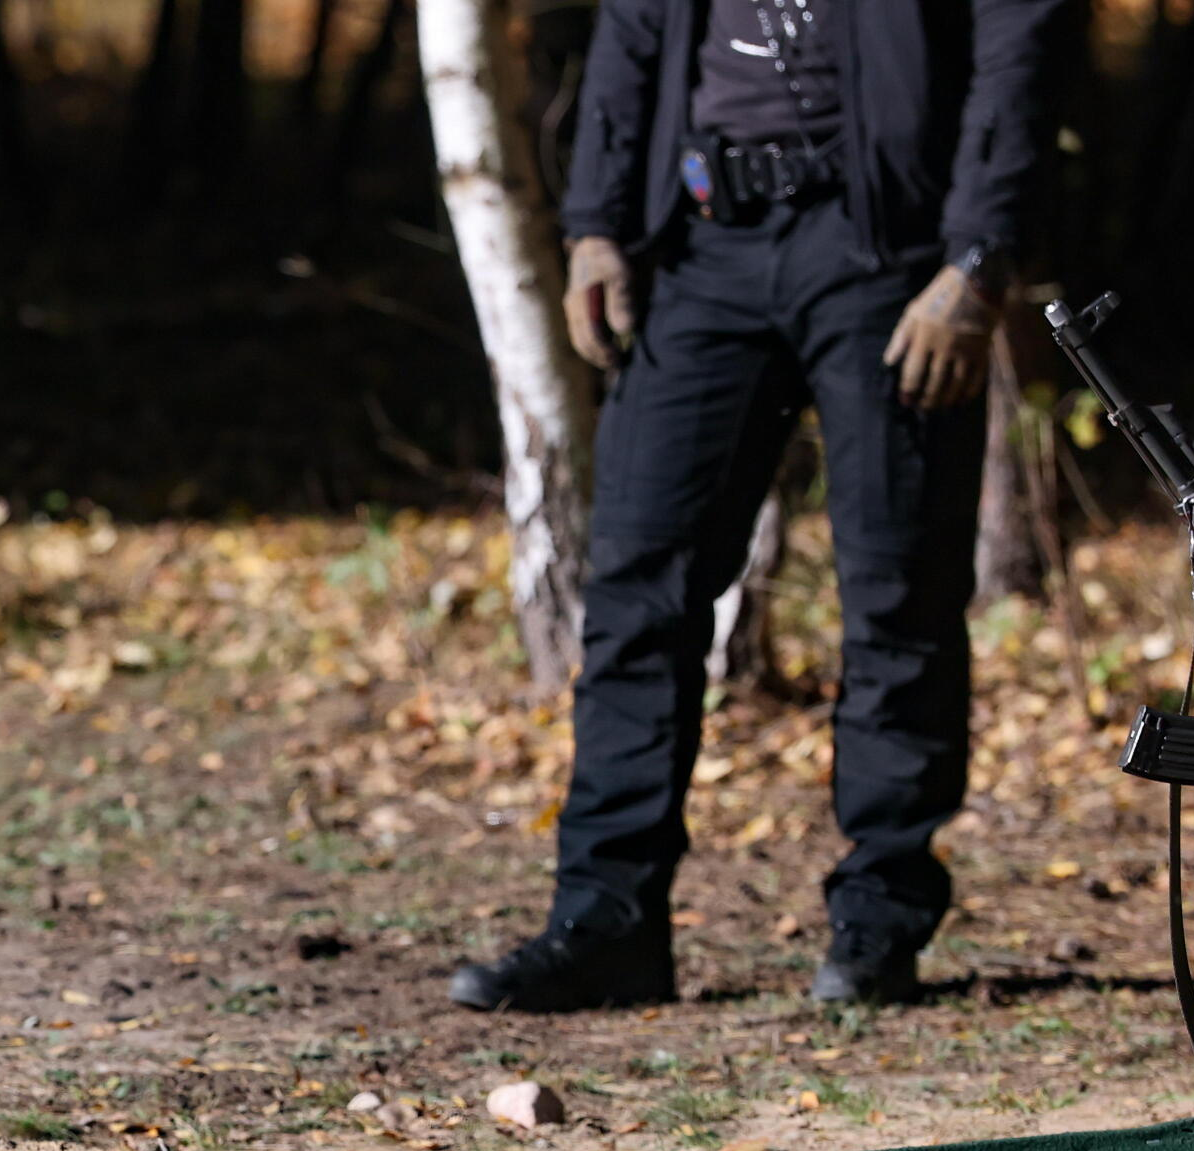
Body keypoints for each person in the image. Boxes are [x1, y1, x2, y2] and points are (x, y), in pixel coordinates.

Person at [450, 0, 1063, 1012]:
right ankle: (607, 922)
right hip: (700, 255)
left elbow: (1016, 41)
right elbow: (633, 35)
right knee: (637, 592)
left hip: (887, 254)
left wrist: (976, 258)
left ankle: (879, 924)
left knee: (898, 590)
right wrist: (598, 224)